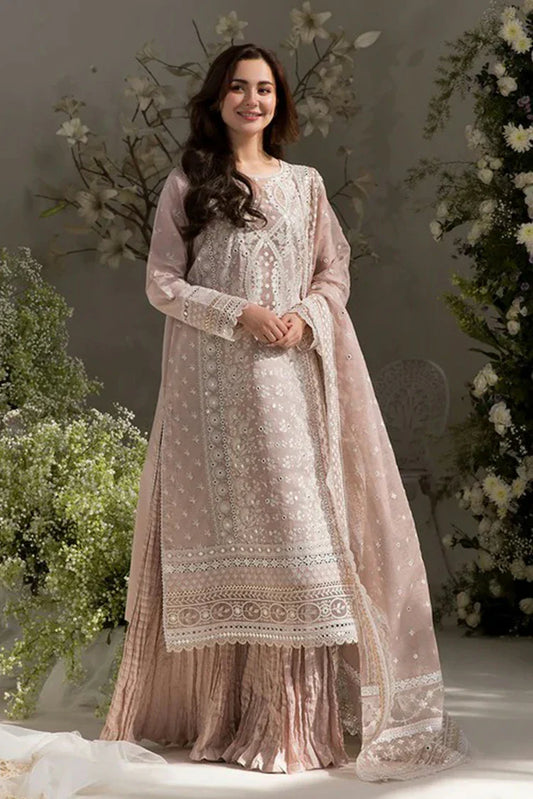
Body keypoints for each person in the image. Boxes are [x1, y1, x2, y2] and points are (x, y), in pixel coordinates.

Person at [97, 42, 470, 779]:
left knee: (301, 540)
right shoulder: (190, 183)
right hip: (213, 395)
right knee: (233, 537)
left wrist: (305, 316)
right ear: (218, 99)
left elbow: (334, 269)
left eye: (264, 88)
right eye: (238, 87)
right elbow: (162, 284)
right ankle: (222, 716)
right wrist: (240, 313)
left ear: (279, 102)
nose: (252, 100)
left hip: (292, 385)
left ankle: (292, 725)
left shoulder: (306, 185)